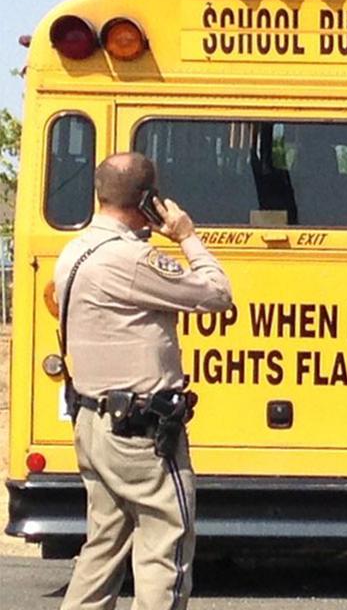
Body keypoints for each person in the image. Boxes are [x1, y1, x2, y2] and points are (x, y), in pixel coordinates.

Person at [55, 152, 233, 610]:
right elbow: (216, 294)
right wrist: (187, 237)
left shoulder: (75, 250)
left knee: (103, 545)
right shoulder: (132, 260)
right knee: (164, 546)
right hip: (140, 434)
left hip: (92, 423)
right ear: (149, 199)